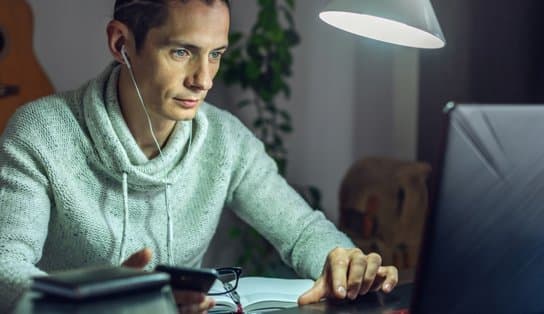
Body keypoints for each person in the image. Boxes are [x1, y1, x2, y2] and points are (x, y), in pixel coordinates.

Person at [0, 0, 398, 312]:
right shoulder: (41, 131)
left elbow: (302, 230)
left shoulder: (224, 139)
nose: (203, 79)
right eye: (181, 52)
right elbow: (5, 267)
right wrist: (101, 302)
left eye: (216, 54)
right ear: (121, 43)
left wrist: (342, 261)